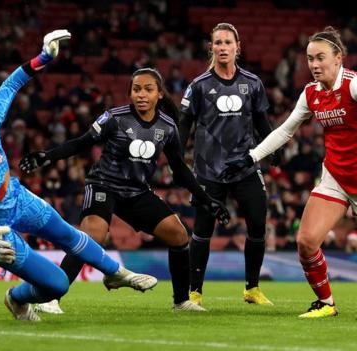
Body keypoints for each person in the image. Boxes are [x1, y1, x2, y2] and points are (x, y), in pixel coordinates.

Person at [0, 29, 158, 322]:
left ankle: (118, 274)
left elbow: (10, 85)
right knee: (57, 285)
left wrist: (43, 57)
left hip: (18, 198)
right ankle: (16, 298)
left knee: (69, 234)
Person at [236, 26, 357, 318]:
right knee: (306, 241)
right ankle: (326, 303)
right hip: (335, 176)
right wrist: (252, 156)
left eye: (320, 58)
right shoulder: (311, 94)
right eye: (310, 59)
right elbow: (285, 130)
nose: (314, 65)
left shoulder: (355, 84)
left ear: (338, 58)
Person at [20, 67, 231, 312]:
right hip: (104, 185)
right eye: (136, 89)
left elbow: (180, 170)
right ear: (130, 93)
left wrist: (207, 200)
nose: (142, 94)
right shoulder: (114, 117)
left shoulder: (168, 127)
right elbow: (81, 143)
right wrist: (46, 156)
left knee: (179, 234)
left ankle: (181, 301)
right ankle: (51, 297)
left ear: (159, 94)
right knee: (92, 236)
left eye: (148, 89)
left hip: (136, 191)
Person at [179, 23, 276, 307]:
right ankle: (194, 292)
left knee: (258, 223)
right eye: (217, 43)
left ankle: (252, 289)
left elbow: (262, 123)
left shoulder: (253, 83)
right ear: (212, 48)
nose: (222, 47)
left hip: (245, 166)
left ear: (237, 47)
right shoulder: (198, 86)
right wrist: (176, 162)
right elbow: (184, 126)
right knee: (203, 228)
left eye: (227, 42)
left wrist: (272, 150)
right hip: (209, 170)